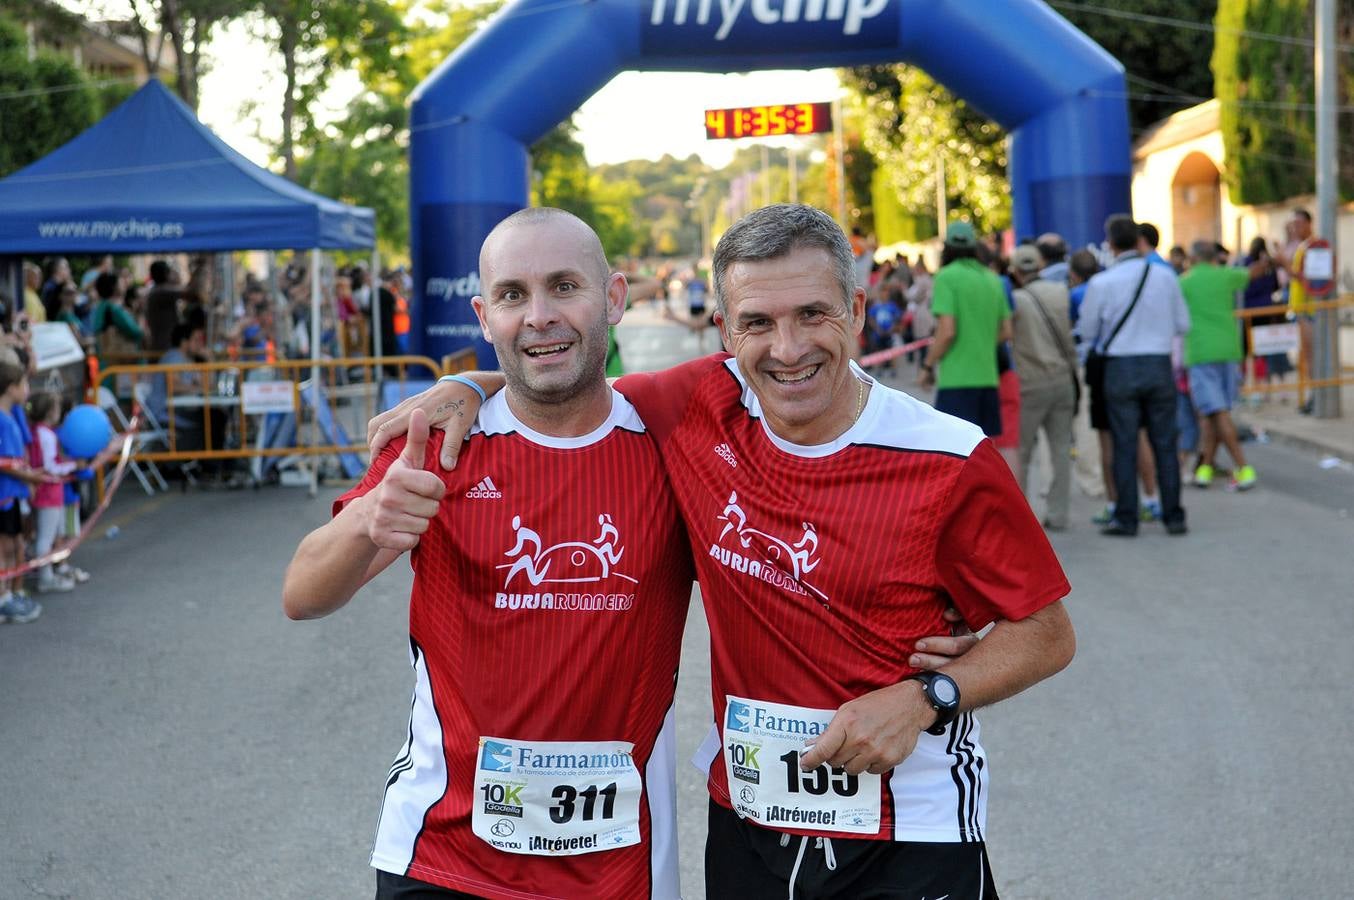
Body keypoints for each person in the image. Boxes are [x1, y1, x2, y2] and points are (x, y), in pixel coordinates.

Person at [374, 204, 1076, 899]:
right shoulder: (695, 405)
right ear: (725, 332)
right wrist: (469, 384)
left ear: (858, 311)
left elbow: (1046, 634)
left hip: (910, 831)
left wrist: (929, 697)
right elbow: (567, 385)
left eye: (813, 314)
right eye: (759, 323)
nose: (789, 348)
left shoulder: (948, 457)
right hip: (747, 828)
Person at [284, 208, 698, 900]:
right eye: (512, 295)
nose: (538, 316)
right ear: (484, 315)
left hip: (617, 869)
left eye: (565, 287)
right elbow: (301, 594)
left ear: (616, 298)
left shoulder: (672, 444)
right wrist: (369, 520)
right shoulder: (438, 443)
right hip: (443, 855)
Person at [1077, 214, 1191, 536]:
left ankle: (1127, 518)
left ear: (1110, 244)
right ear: (1140, 240)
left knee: (1124, 444)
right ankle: (1174, 516)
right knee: (1164, 443)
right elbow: (1183, 324)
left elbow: (1088, 332)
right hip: (1157, 363)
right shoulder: (1165, 276)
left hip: (1120, 368)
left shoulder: (1102, 282)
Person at [919, 220, 1013, 439]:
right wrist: (980, 342)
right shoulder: (992, 279)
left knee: (953, 455)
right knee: (983, 453)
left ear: (947, 247)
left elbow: (947, 332)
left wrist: (927, 365)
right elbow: (1007, 331)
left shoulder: (946, 277)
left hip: (956, 381)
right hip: (988, 379)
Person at [1178, 240, 1256, 490]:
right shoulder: (1225, 276)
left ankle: (1243, 467)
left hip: (1200, 352)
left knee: (1216, 412)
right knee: (1214, 413)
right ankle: (1205, 469)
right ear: (1214, 258)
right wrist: (1267, 260)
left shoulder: (1184, 282)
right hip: (1228, 350)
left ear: (1193, 258)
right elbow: (1251, 273)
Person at [1009, 245, 1078, 529]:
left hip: (1030, 383)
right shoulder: (1061, 291)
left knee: (1022, 452)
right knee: (1061, 449)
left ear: (1015, 272)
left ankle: (1023, 519)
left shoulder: (1017, 300)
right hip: (1063, 379)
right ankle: (1059, 514)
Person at [0, 362, 53, 624]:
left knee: (14, 545)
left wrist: (30, 476)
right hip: (5, 495)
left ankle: (9, 594)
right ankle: (3, 598)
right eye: (24, 384)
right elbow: (7, 463)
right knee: (5, 547)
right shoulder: (3, 421)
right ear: (11, 388)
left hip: (12, 493)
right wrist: (32, 477)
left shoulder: (9, 418)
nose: (28, 390)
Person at [1279, 208, 1316, 413]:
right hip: (1301, 309)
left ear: (1309, 224)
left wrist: (1285, 264)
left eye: (1299, 224)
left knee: (1310, 357)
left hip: (1309, 310)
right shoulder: (1302, 246)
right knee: (1305, 357)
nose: (1295, 228)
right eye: (1293, 224)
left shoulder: (1313, 246)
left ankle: (1316, 396)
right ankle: (1312, 395)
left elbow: (1307, 277)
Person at [90, 272, 145, 367]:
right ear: (114, 287)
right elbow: (136, 332)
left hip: (107, 364)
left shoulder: (101, 307)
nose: (124, 284)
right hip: (120, 366)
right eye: (121, 282)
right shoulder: (114, 309)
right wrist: (140, 315)